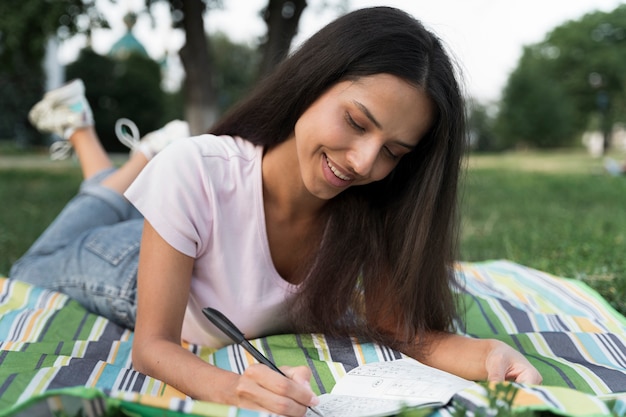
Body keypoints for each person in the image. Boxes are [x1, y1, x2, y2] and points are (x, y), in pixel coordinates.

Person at [10, 7, 542, 417]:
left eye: (393, 152)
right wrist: (231, 387)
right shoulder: (198, 169)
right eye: (356, 122)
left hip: (184, 223)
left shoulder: (373, 209)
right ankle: (105, 141)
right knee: (36, 264)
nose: (363, 162)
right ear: (313, 81)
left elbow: (406, 335)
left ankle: (133, 158)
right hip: (126, 268)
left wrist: (489, 355)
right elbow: (152, 348)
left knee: (125, 199)